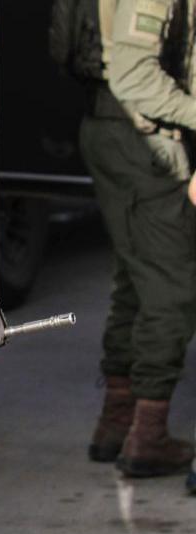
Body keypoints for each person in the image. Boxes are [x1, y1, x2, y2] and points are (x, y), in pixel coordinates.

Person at [51, 0, 195, 479]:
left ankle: (116, 424)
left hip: (113, 130)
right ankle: (147, 435)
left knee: (136, 280)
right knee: (172, 289)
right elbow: (135, 78)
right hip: (142, 138)